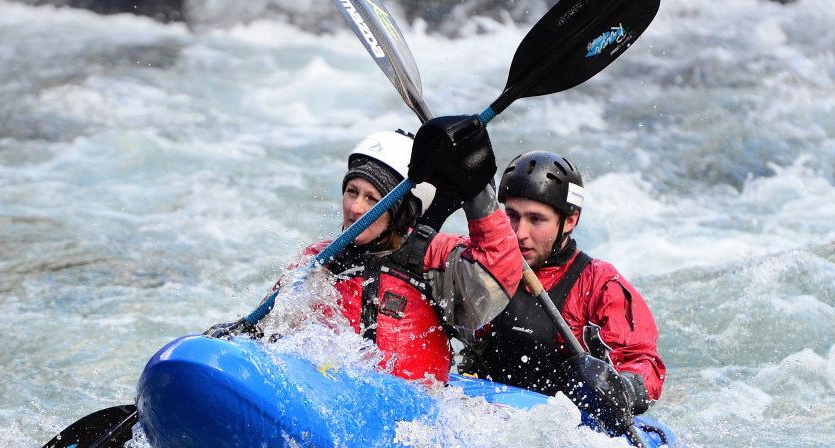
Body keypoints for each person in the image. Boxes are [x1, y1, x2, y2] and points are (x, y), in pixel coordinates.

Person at [211, 123, 524, 385]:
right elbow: (273, 328)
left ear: (401, 212)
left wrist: (477, 190)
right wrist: (239, 337)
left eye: (372, 198)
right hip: (331, 401)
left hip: (411, 421)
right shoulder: (320, 260)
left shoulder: (435, 257)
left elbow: (498, 275)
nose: (355, 208)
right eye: (351, 192)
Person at [460, 149, 666, 427]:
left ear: (570, 221)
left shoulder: (600, 285)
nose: (520, 233)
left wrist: (624, 388)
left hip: (556, 430)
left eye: (536, 219)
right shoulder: (479, 262)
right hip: (481, 415)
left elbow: (642, 360)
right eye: (512, 216)